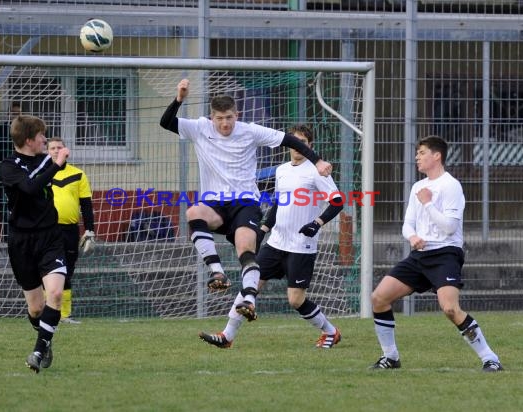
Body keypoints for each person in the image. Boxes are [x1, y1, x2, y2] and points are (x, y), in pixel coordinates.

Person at [160, 79, 333, 318]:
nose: (225, 123)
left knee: (245, 248)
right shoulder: (200, 128)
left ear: (236, 115)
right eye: (220, 118)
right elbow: (166, 122)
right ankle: (217, 272)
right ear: (212, 118)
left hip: (245, 203)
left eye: (229, 117)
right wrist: (179, 98)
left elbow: (289, 140)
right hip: (215, 204)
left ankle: (249, 298)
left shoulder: (250, 131)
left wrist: (318, 161)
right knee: (193, 213)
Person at [199, 124, 344, 349]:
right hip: (276, 243)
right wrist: (264, 230)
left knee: (295, 300)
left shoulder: (316, 170)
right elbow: (278, 203)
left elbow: (337, 201)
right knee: (250, 284)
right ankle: (227, 336)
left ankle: (330, 331)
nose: (298, 147)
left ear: (310, 146)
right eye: (295, 142)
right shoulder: (282, 170)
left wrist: (317, 223)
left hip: (301, 246)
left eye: (304, 143)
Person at [370, 135, 503, 372]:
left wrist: (429, 204)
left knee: (450, 308)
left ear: (436, 156)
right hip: (419, 256)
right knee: (379, 298)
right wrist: (412, 237)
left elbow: (450, 227)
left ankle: (490, 358)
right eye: (417, 153)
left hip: (445, 254)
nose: (417, 157)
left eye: (421, 153)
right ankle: (390, 357)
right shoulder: (417, 187)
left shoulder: (450, 185)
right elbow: (407, 224)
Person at [0, 115, 70, 373]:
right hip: (21, 241)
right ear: (29, 140)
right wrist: (55, 164)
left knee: (55, 294)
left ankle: (39, 350)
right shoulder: (8, 166)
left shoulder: (45, 159)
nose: (46, 139)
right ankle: (45, 337)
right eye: (42, 135)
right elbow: (30, 187)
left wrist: (57, 160)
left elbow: (54, 166)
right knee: (36, 307)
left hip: (50, 237)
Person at [47, 137, 95, 324]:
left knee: (67, 269)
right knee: (47, 270)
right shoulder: (41, 173)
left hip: (69, 230)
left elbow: (86, 205)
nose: (56, 150)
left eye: (60, 147)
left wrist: (90, 230)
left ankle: (64, 314)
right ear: (47, 151)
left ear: (66, 150)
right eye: (52, 148)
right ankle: (48, 311)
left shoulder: (78, 174)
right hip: (46, 230)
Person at [0, 102, 22, 240]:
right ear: (9, 114)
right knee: (2, 208)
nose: (15, 116)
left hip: (20, 177)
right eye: (13, 113)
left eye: (18, 114)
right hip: (0, 177)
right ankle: (7, 238)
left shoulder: (25, 132)